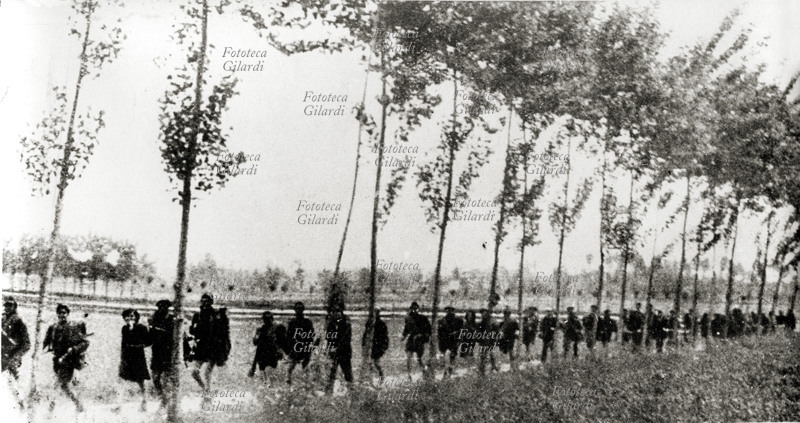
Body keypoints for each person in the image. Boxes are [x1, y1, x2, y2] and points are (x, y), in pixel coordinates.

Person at [43, 304, 88, 413]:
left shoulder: (73, 327)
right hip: (57, 360)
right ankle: (79, 405)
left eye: (64, 313)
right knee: (64, 386)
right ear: (57, 314)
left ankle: (50, 410)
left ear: (68, 314)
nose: (62, 315)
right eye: (60, 313)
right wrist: (44, 349)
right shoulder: (53, 327)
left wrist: (73, 349)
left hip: (68, 360)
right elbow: (46, 342)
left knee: (57, 384)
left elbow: (84, 342)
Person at [186, 293, 231, 400]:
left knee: (207, 371)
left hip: (213, 347)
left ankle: (208, 391)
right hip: (201, 346)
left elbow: (224, 331)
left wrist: (224, 349)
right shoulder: (197, 315)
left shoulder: (216, 314)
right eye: (203, 301)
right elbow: (192, 331)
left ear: (211, 302)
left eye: (207, 301)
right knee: (194, 371)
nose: (205, 303)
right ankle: (204, 388)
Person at [119, 309, 151, 411]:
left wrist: (139, 344)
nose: (130, 318)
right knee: (122, 379)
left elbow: (148, 341)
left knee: (140, 380)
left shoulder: (141, 327)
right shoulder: (124, 328)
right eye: (127, 316)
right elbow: (123, 343)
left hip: (138, 355)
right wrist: (122, 358)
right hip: (127, 355)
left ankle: (144, 402)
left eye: (132, 316)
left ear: (136, 317)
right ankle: (119, 404)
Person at [2, 297, 30, 409]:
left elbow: (26, 343)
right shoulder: (3, 320)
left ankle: (23, 403)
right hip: (3, 355)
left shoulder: (18, 322)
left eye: (10, 306)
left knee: (14, 382)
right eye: (6, 305)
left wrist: (16, 356)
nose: (7, 308)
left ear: (14, 307)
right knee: (10, 382)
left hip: (12, 356)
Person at [148, 299, 174, 408]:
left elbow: (173, 335)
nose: (162, 309)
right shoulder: (155, 319)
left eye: (165, 307)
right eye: (160, 307)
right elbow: (150, 337)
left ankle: (165, 402)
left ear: (168, 308)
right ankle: (162, 397)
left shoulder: (171, 320)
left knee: (166, 378)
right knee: (155, 377)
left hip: (168, 352)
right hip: (157, 351)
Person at [250, 311, 287, 386]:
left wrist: (281, 351)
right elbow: (255, 343)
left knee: (267, 370)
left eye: (268, 319)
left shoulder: (277, 327)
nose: (266, 321)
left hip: (271, 353)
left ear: (272, 319)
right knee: (263, 371)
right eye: (265, 319)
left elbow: (283, 341)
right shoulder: (260, 329)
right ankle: (267, 385)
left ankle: (268, 384)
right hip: (262, 353)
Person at [325, 305, 353, 394]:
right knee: (331, 372)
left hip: (344, 352)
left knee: (347, 372)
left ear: (341, 313)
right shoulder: (330, 325)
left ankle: (351, 391)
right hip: (333, 353)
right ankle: (329, 392)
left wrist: (337, 347)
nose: (336, 314)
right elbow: (328, 338)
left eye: (338, 311)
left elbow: (346, 339)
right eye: (334, 312)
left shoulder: (346, 324)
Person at [286, 301, 314, 385]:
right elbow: (289, 335)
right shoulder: (292, 322)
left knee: (305, 364)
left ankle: (306, 381)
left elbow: (311, 334)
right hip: (295, 345)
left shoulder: (307, 322)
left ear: (303, 310)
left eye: (300, 309)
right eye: (297, 309)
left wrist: (308, 344)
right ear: (295, 310)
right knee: (292, 364)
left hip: (304, 345)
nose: (299, 310)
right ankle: (289, 378)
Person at [401, 302, 431, 379]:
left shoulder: (423, 318)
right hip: (411, 340)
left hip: (419, 340)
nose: (414, 310)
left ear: (418, 309)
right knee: (408, 358)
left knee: (419, 359)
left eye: (415, 309)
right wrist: (403, 336)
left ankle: (424, 372)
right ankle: (409, 375)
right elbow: (406, 329)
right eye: (412, 309)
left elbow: (428, 331)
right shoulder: (408, 318)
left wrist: (421, 335)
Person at [363, 309, 389, 382]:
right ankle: (372, 378)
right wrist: (364, 344)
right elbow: (365, 335)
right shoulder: (369, 323)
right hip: (370, 345)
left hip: (378, 346)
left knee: (376, 362)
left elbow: (385, 337)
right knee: (371, 362)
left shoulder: (381, 324)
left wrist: (384, 347)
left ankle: (381, 377)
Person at [437, 306, 463, 376]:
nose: (449, 312)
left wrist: (457, 335)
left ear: (453, 311)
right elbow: (439, 333)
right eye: (448, 310)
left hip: (454, 341)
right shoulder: (442, 321)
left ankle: (449, 372)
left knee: (451, 357)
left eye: (451, 310)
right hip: (445, 341)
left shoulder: (458, 320)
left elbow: (462, 331)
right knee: (447, 356)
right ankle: (446, 372)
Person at [476, 308, 499, 374]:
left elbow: (496, 330)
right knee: (482, 355)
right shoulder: (480, 323)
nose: (483, 315)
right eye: (482, 313)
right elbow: (478, 332)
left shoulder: (492, 322)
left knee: (492, 354)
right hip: (483, 341)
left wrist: (495, 339)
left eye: (485, 313)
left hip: (490, 341)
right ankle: (482, 369)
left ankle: (494, 367)